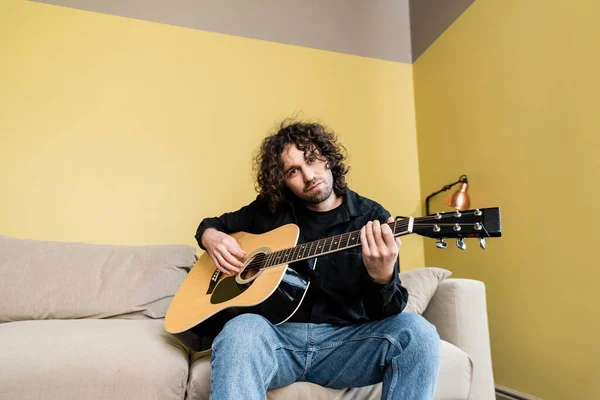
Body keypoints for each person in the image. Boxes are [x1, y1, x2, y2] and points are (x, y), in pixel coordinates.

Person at [194, 120, 441, 400]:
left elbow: (385, 313)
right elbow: (211, 224)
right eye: (293, 171)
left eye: (312, 160)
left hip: (347, 345)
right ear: (283, 181)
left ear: (328, 158)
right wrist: (211, 237)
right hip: (278, 341)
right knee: (239, 330)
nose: (309, 175)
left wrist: (382, 276)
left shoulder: (371, 218)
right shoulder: (270, 212)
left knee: (418, 333)